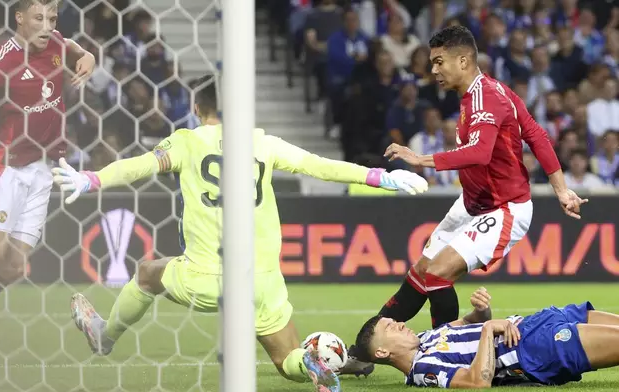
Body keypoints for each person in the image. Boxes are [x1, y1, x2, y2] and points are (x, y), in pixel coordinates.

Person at [51, 75, 429, 392]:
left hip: (206, 278)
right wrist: (381, 177)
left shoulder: (186, 141)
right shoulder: (262, 143)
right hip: (262, 280)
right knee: (286, 360)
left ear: (198, 109)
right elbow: (320, 167)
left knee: (148, 274)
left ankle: (105, 336)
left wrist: (92, 178)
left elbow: (140, 166)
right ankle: (315, 362)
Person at [378, 25, 588, 330]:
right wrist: (561, 190)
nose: (433, 68)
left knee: (437, 274)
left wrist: (420, 158)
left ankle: (444, 353)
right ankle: (364, 348)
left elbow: (480, 153)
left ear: (462, 61)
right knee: (422, 272)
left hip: (503, 208)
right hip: (471, 202)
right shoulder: (487, 92)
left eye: (439, 61)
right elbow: (536, 135)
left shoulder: (488, 98)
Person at [0, 0, 95, 308]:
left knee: (13, 267)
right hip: (7, 167)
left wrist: (87, 56)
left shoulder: (55, 42)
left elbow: (71, 46)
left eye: (52, 18)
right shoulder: (3, 59)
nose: (48, 26)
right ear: (19, 17)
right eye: (39, 18)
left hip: (43, 168)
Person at [354, 287, 619, 389]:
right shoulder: (423, 368)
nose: (400, 324)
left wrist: (482, 312)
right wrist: (488, 329)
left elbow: (471, 322)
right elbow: (477, 382)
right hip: (534, 350)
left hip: (535, 322)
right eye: (390, 328)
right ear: (382, 353)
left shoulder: (425, 338)